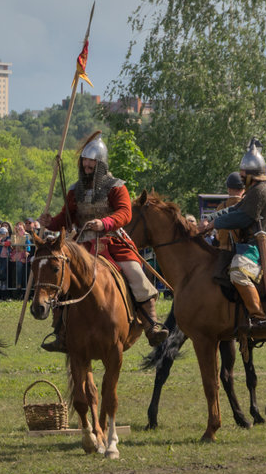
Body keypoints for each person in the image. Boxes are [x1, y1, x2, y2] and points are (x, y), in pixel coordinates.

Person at [40, 133, 171, 350]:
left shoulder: (115, 186)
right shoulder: (75, 190)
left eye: (92, 161)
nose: (88, 164)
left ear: (101, 163)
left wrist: (105, 223)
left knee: (136, 275)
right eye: (85, 160)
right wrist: (51, 222)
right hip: (81, 245)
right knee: (63, 281)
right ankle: (61, 332)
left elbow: (125, 213)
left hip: (112, 242)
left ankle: (151, 326)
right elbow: (66, 217)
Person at [201, 139, 266, 333]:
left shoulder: (261, 191)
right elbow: (235, 208)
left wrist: (215, 224)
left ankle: (258, 317)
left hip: (258, 247)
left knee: (238, 272)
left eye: (244, 174)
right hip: (248, 245)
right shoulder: (253, 191)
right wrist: (211, 217)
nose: (241, 178)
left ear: (252, 174)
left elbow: (242, 217)